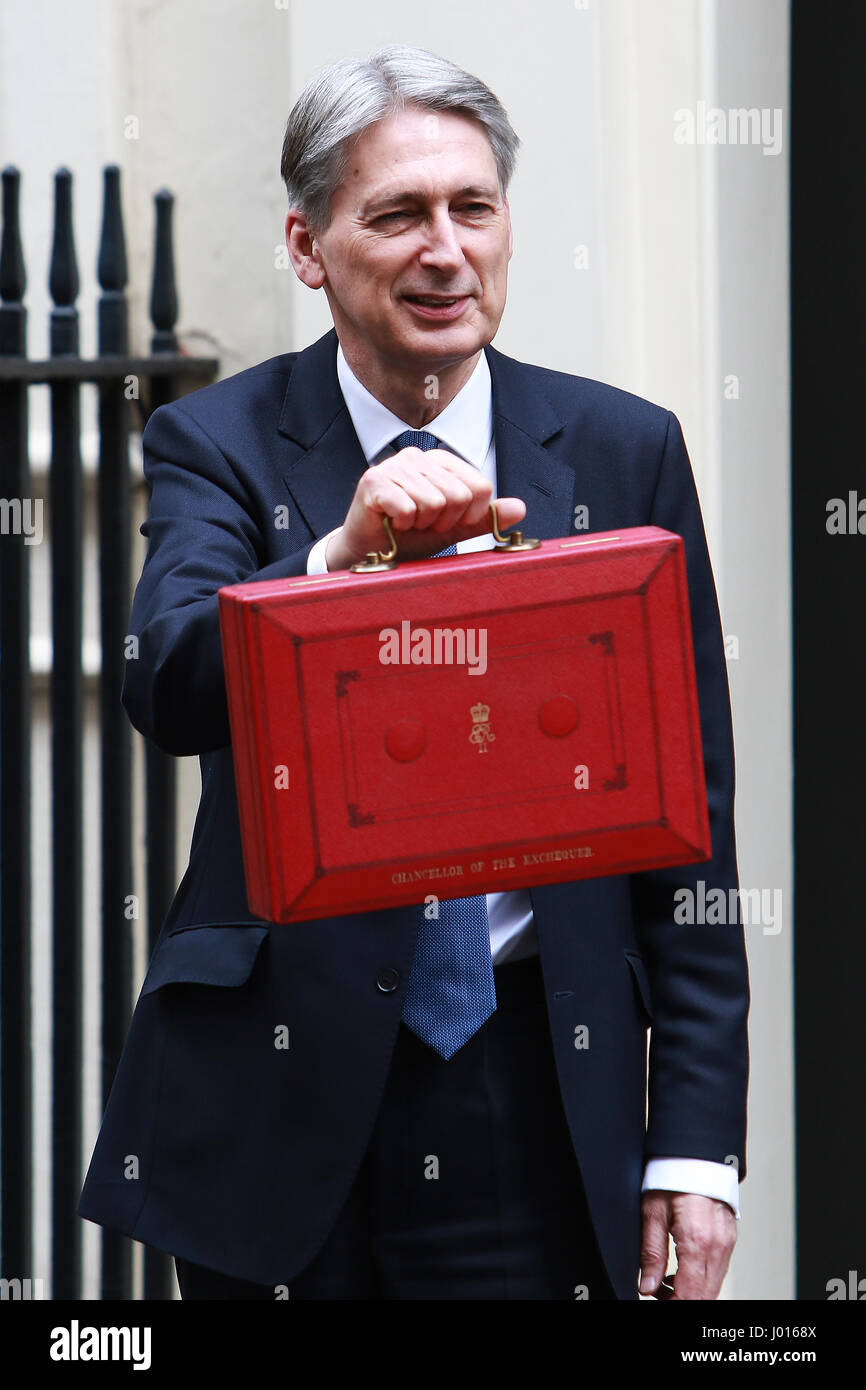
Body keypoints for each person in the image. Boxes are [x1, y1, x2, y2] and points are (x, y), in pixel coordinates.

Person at [78, 45, 749, 1301]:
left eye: (471, 207)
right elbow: (164, 681)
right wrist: (336, 560)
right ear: (306, 245)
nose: (444, 248)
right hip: (281, 1110)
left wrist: (698, 1148)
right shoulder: (216, 440)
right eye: (396, 214)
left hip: (541, 1088)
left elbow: (692, 824)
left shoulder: (621, 447)